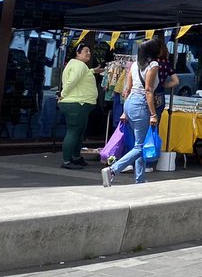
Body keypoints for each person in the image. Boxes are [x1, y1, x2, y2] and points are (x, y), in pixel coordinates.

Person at [103, 41, 160, 186]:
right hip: (141, 104)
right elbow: (148, 90)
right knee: (140, 146)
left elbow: (126, 89)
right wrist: (153, 114)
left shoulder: (134, 65)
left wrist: (124, 111)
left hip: (129, 103)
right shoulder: (153, 66)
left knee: (138, 143)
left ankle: (139, 179)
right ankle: (113, 169)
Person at [59, 42, 101, 169]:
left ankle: (75, 157)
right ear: (77, 53)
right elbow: (72, 81)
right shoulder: (79, 65)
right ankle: (67, 160)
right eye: (85, 51)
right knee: (73, 132)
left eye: (89, 51)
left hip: (80, 103)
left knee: (78, 132)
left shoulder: (79, 65)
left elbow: (83, 75)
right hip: (76, 103)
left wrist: (94, 71)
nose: (89, 53)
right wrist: (62, 94)